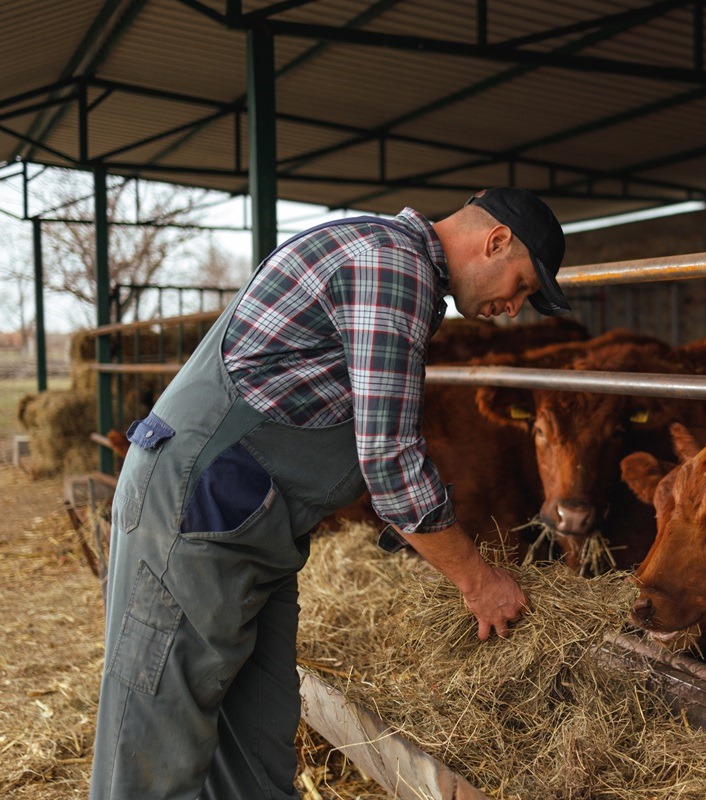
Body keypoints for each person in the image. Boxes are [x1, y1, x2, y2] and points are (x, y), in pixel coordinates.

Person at [90, 187, 573, 799]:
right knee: (156, 736)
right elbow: (390, 459)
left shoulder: (393, 262)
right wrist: (480, 582)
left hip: (248, 523)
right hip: (193, 510)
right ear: (496, 241)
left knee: (255, 736)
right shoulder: (392, 265)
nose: (514, 308)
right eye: (524, 284)